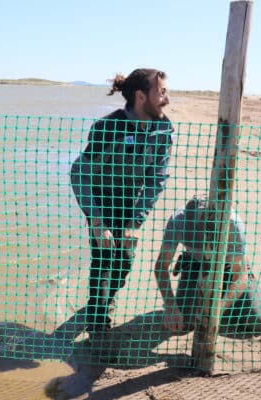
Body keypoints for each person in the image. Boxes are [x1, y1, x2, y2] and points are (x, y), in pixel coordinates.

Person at [70, 68, 174, 337]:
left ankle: (107, 299)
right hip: (100, 201)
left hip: (131, 204)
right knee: (103, 259)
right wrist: (95, 219)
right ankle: (98, 323)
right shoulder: (107, 127)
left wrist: (135, 221)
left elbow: (156, 179)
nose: (167, 99)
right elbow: (80, 172)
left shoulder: (163, 129)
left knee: (125, 261)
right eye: (161, 92)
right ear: (141, 96)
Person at [154, 194, 261, 335]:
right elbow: (161, 267)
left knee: (257, 322)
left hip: (229, 267)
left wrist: (218, 311)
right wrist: (171, 306)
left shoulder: (232, 224)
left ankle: (228, 306)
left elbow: (239, 275)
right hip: (195, 264)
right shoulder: (178, 221)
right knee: (184, 323)